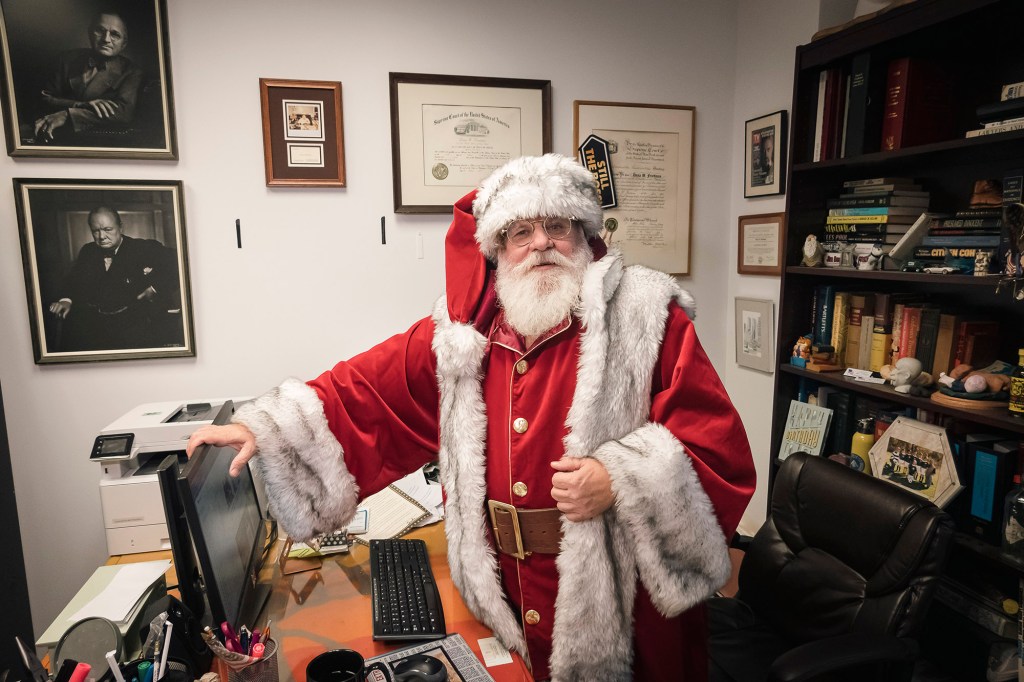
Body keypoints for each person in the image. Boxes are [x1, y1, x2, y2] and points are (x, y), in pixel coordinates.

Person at [187, 154, 755, 681]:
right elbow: (367, 392)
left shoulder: (645, 316)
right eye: (520, 233)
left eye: (557, 227)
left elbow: (718, 450)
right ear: (497, 248)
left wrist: (619, 479)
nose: (541, 245)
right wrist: (265, 427)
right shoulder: (467, 335)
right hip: (502, 590)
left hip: (617, 594)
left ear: (584, 237)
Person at [49, 206, 179, 351]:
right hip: (97, 330)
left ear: (121, 228)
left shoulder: (144, 248)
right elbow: (74, 280)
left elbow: (180, 262)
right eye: (95, 231)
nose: (101, 236)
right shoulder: (88, 251)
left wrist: (155, 288)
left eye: (107, 229)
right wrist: (66, 300)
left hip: (137, 330)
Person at [28, 11, 143, 143]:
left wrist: (67, 115)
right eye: (100, 30)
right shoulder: (66, 59)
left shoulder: (132, 71)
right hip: (54, 133)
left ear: (124, 43)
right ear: (89, 33)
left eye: (115, 34)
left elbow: (124, 113)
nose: (106, 39)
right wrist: (82, 104)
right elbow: (43, 98)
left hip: (99, 141)